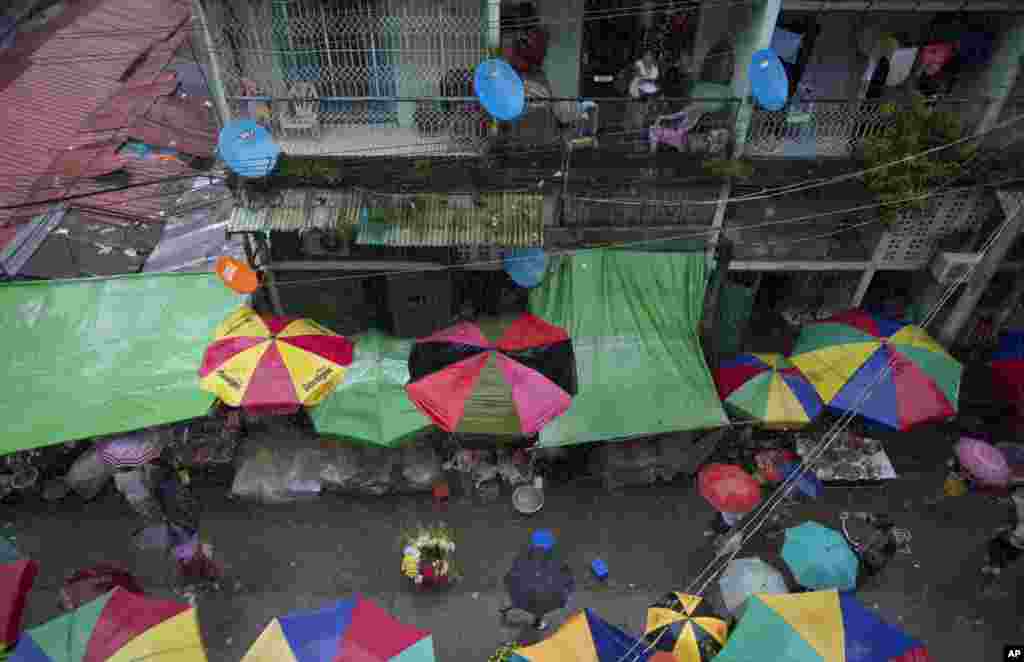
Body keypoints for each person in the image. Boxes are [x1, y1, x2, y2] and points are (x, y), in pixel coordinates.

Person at [628, 50, 660, 133]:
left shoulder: (655, 68)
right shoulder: (638, 64)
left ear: (653, 58)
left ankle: (638, 134)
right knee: (631, 115)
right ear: (643, 57)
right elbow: (637, 74)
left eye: (650, 56)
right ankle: (628, 132)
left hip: (646, 96)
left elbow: (654, 81)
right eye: (646, 55)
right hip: (634, 93)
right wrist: (646, 80)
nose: (648, 57)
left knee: (642, 117)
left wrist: (649, 83)